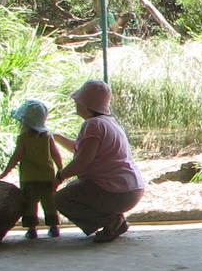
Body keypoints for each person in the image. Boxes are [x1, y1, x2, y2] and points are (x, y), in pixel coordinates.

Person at [52, 79, 145, 243]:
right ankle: (115, 221)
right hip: (131, 189)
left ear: (86, 104)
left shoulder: (93, 125)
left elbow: (82, 162)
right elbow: (81, 149)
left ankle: (111, 221)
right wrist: (56, 137)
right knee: (74, 188)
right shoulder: (108, 122)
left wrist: (59, 176)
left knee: (61, 199)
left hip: (116, 192)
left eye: (78, 100)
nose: (75, 103)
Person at [0, 99, 63, 239]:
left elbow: (16, 157)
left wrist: (5, 172)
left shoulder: (23, 138)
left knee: (30, 204)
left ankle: (32, 229)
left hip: (29, 177)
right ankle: (54, 227)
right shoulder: (47, 137)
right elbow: (56, 155)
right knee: (49, 203)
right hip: (47, 177)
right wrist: (60, 171)